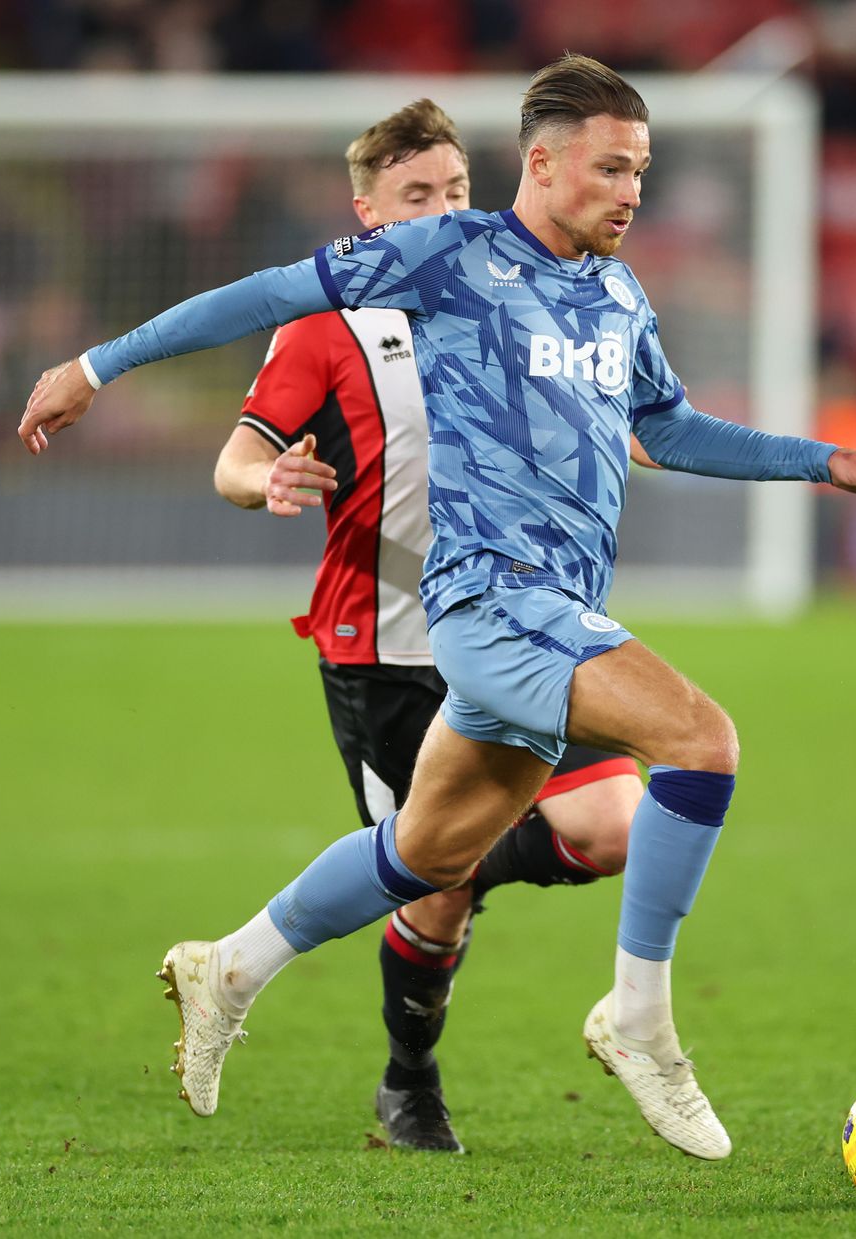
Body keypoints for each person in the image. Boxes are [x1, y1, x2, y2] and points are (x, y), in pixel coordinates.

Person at [19, 54, 856, 1161]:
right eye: (608, 168)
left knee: (425, 854)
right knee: (703, 741)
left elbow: (673, 430)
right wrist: (95, 365)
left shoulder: (618, 293)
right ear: (541, 165)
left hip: (552, 607)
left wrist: (826, 460)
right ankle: (637, 1017)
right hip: (492, 604)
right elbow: (267, 294)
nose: (630, 190)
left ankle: (232, 965)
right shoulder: (453, 255)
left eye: (640, 169)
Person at [212, 99, 645, 1154]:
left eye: (455, 190)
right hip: (384, 655)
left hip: (520, 630)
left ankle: (438, 858)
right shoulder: (325, 327)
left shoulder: (508, 297)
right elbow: (233, 460)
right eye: (417, 196)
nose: (443, 211)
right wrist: (263, 476)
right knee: (439, 897)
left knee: (617, 825)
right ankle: (409, 1082)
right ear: (365, 213)